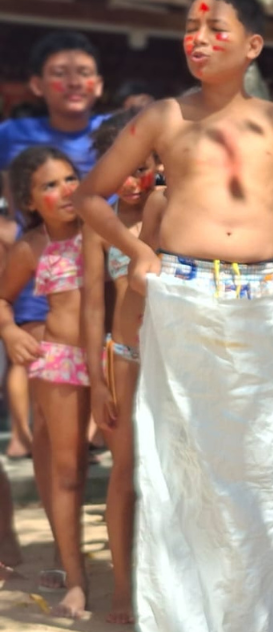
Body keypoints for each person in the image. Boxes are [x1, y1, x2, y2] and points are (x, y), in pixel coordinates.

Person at [73, 0, 273, 632]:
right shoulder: (163, 117)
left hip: (260, 297)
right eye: (191, 27)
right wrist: (137, 254)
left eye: (216, 28)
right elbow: (92, 196)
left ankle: (257, 611)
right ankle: (182, 614)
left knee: (263, 456)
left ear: (252, 45)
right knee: (180, 457)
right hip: (182, 293)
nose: (199, 40)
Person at [0, 31, 106, 462]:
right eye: (60, 74)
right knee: (34, 344)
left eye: (83, 73)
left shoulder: (113, 132)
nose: (74, 82)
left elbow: (150, 173)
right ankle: (28, 434)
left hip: (96, 264)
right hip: (35, 258)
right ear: (38, 86)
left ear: (98, 83)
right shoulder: (12, 133)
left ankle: (90, 434)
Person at [80, 111, 161, 624]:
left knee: (170, 473)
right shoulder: (99, 227)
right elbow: (92, 307)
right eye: (123, 171)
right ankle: (122, 587)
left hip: (174, 357)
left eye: (143, 167)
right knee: (125, 475)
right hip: (125, 358)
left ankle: (163, 582)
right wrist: (96, 383)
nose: (134, 180)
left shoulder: (171, 208)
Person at [0, 147, 88, 617]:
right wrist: (11, 331)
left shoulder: (101, 229)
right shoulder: (31, 247)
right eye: (49, 186)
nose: (65, 190)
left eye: (70, 178)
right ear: (30, 202)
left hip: (114, 359)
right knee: (67, 468)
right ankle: (74, 576)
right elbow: (2, 298)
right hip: (60, 361)